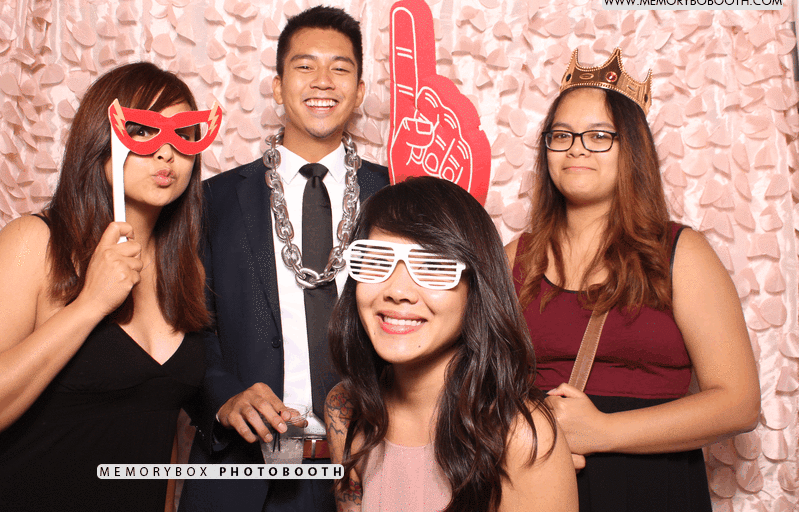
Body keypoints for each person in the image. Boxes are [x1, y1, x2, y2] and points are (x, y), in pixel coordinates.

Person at [505, 48, 761, 511]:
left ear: (633, 150)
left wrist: (603, 430)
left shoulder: (682, 255)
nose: (576, 147)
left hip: (651, 488)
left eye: (599, 135)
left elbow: (739, 402)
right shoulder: (513, 259)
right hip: (538, 484)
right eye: (561, 135)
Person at [179, 6, 390, 512]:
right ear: (277, 87)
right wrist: (224, 398)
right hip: (242, 470)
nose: (323, 81)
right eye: (305, 66)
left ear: (360, 91)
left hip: (372, 466)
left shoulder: (394, 195)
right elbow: (184, 326)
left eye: (340, 68)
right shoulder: (214, 201)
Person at [0, 61, 211, 511]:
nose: (166, 153)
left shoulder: (186, 269)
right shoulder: (36, 243)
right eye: (143, 132)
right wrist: (89, 305)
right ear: (101, 138)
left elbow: (160, 426)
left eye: (183, 135)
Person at [325, 176, 578, 512]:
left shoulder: (521, 436)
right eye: (377, 260)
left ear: (476, 288)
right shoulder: (345, 409)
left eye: (433, 267)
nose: (397, 291)